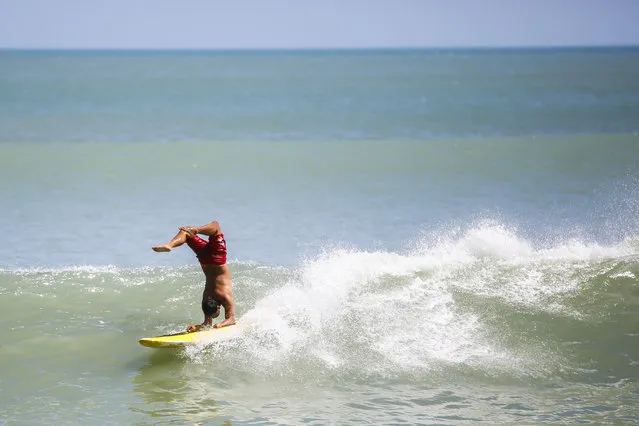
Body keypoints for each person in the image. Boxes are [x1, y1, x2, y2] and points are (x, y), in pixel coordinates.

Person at [152, 221, 236, 331]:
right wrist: (219, 325)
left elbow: (209, 323)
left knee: (211, 228)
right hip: (210, 258)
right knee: (191, 231)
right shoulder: (214, 296)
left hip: (214, 259)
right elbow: (231, 319)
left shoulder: (212, 299)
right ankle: (184, 236)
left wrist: (197, 328)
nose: (212, 317)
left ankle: (173, 243)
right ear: (218, 307)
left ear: (218, 307)